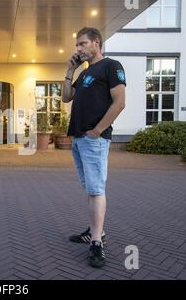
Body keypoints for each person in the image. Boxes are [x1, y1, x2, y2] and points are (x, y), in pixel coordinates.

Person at [62, 27, 126, 268]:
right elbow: (66, 97)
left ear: (96, 43)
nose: (78, 49)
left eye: (82, 44)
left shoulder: (111, 66)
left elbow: (120, 102)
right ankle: (93, 230)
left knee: (97, 189)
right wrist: (70, 70)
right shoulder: (85, 72)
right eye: (77, 45)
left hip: (93, 139)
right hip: (79, 139)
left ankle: (97, 241)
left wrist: (98, 130)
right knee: (91, 188)